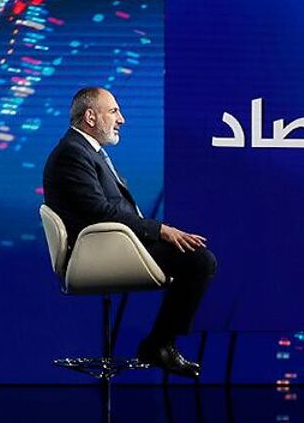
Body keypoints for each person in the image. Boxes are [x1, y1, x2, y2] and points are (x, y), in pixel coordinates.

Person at [42, 86, 216, 377]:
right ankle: (159, 345)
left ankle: (160, 343)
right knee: (198, 260)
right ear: (90, 117)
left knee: (195, 256)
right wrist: (160, 230)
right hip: (97, 252)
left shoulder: (86, 151)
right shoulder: (72, 154)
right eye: (113, 111)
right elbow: (100, 211)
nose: (121, 119)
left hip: (115, 244)